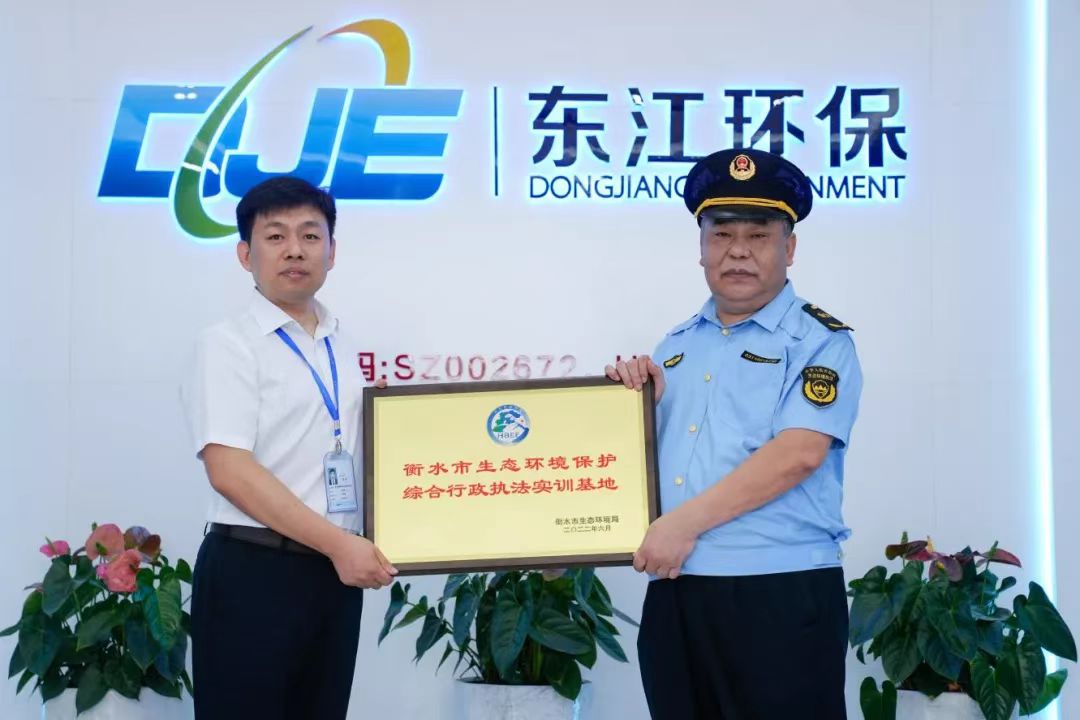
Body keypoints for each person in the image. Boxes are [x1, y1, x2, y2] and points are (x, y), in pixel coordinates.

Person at [606, 148, 863, 719]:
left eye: (759, 235)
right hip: (678, 591)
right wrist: (627, 407)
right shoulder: (674, 346)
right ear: (701, 247)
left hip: (779, 591)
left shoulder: (820, 342)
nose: (738, 251)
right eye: (722, 234)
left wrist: (681, 525)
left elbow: (798, 454)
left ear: (789, 248)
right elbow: (649, 463)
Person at [180, 176, 396, 720]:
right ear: (245, 255)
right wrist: (341, 546)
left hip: (331, 576)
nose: (295, 249)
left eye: (310, 235)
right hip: (254, 571)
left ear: (332, 251)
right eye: (275, 236)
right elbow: (229, 470)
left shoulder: (340, 342)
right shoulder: (227, 344)